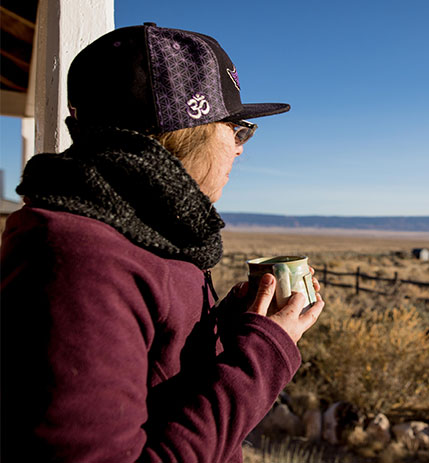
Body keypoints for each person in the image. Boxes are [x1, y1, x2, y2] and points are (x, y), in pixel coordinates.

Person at [0, 23, 324, 462]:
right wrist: (262, 356)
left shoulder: (147, 231)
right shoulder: (79, 257)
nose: (241, 149)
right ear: (188, 134)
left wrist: (226, 329)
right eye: (236, 129)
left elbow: (160, 377)